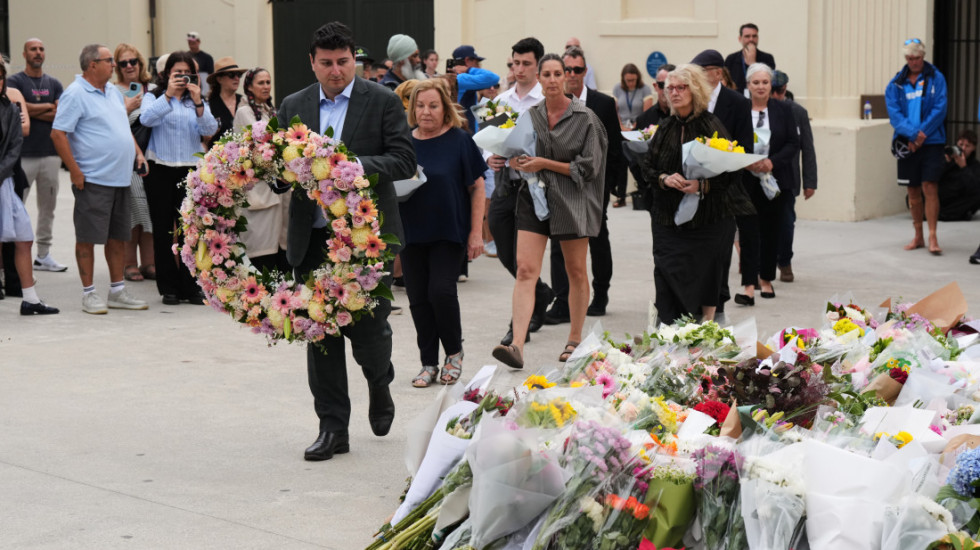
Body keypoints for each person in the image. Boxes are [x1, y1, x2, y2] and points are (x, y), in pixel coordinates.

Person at [278, 21, 415, 462]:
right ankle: (332, 428)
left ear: (355, 59)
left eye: (343, 62)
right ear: (312, 63)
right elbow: (280, 171)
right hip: (314, 238)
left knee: (369, 332)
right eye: (327, 63)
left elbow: (404, 160)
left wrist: (351, 165)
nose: (336, 71)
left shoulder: (382, 100)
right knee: (320, 332)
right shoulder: (293, 105)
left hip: (367, 239)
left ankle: (379, 378)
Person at [491, 53, 607, 369]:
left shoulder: (586, 118)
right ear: (539, 79)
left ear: (566, 77)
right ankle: (516, 345)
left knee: (576, 270)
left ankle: (575, 339)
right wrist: (510, 161)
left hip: (572, 200)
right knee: (525, 270)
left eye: (559, 74)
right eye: (548, 74)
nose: (553, 79)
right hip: (534, 197)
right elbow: (518, 153)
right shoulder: (529, 116)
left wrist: (544, 163)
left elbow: (590, 168)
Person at [640, 64, 753, 324]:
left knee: (706, 272)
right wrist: (664, 178)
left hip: (708, 218)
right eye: (670, 88)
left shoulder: (710, 124)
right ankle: (669, 328)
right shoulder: (665, 128)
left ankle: (705, 329)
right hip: (668, 219)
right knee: (666, 270)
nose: (674, 93)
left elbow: (732, 170)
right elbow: (647, 167)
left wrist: (702, 186)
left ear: (695, 90)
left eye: (681, 87)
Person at [50, 44, 150, 314]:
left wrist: (137, 152)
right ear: (92, 64)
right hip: (93, 179)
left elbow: (122, 127)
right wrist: (75, 171)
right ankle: (89, 294)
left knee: (117, 237)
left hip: (120, 178)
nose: (114, 65)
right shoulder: (76, 93)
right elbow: (58, 133)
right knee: (87, 237)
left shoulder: (113, 93)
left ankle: (117, 291)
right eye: (109, 61)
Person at [401, 79, 486, 387]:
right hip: (411, 232)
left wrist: (476, 233)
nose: (426, 111)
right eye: (420, 105)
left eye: (433, 106)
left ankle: (453, 352)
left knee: (441, 292)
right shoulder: (404, 142)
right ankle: (428, 363)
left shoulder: (460, 140)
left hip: (449, 232)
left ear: (445, 108)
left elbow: (477, 187)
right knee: (418, 299)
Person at [485, 37, 553, 347]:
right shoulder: (501, 101)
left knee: (524, 261)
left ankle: (518, 327)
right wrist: (490, 157)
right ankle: (540, 291)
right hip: (505, 185)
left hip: (534, 188)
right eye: (516, 63)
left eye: (526, 63)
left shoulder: (545, 100)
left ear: (537, 66)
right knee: (503, 250)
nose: (520, 69)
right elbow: (488, 138)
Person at [546, 46, 619, 322]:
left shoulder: (603, 103)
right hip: (561, 183)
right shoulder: (553, 103)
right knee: (559, 242)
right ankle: (562, 301)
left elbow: (615, 149)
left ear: (585, 71)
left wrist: (609, 186)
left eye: (577, 69)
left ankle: (600, 294)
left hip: (595, 185)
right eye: (567, 69)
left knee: (597, 239)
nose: (572, 74)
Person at [139, 51, 218, 306]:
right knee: (163, 230)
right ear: (166, 74)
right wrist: (169, 95)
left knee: (190, 230)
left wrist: (198, 102)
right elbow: (146, 119)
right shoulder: (153, 96)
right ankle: (169, 287)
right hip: (160, 168)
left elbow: (210, 129)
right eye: (177, 73)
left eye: (187, 73)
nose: (183, 78)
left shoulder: (196, 100)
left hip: (189, 170)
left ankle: (191, 285)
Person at [691, 49, 754, 316]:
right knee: (695, 250)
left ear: (717, 73)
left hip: (725, 190)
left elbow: (745, 148)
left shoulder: (738, 103)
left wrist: (723, 160)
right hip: (693, 188)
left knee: (720, 250)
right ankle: (696, 303)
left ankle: (717, 304)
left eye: (701, 71)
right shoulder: (692, 99)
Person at [0, 55, 58, 315]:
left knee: (24, 238)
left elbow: (15, 147)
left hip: (6, 181)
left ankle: (30, 299)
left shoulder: (10, 108)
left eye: (0, 76)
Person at [7, 38, 67, 272]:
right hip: (22, 155)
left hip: (51, 154)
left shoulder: (54, 83)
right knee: (15, 206)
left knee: (48, 208)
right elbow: (16, 109)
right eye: (33, 49)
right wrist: (47, 107)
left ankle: (43, 255)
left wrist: (30, 108)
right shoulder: (14, 82)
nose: (38, 52)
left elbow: (61, 113)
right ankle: (11, 257)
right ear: (24, 54)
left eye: (41, 49)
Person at [743, 63, 800, 302]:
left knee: (771, 231)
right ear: (748, 85)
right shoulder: (741, 109)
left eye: (765, 82)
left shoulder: (783, 109)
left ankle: (766, 279)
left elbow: (793, 143)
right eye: (756, 82)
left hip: (774, 180)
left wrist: (771, 162)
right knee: (748, 232)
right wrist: (746, 161)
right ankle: (748, 284)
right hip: (746, 178)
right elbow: (731, 140)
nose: (761, 87)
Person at [885, 38, 947, 255]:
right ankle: (918, 235)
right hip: (908, 142)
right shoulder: (896, 83)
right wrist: (912, 135)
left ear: (923, 56)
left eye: (917, 58)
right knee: (912, 189)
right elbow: (894, 114)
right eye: (910, 58)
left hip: (931, 141)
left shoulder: (936, 78)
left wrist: (921, 135)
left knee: (929, 186)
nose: (913, 62)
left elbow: (940, 107)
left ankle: (933, 236)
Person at [233, 67, 290, 274]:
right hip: (258, 190)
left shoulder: (270, 110)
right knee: (261, 251)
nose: (266, 87)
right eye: (260, 83)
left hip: (278, 190)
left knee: (280, 251)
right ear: (249, 87)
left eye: (268, 82)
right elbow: (264, 143)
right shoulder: (244, 111)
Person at [113, 43, 156, 283]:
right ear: (117, 67)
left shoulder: (153, 89)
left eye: (133, 61)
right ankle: (129, 263)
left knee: (149, 211)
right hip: (127, 159)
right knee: (132, 212)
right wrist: (126, 107)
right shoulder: (113, 91)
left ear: (140, 63)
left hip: (153, 158)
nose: (129, 66)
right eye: (123, 63)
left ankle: (149, 262)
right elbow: (109, 122)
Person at [771, 70, 817, 282]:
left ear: (785, 90)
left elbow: (808, 148)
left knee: (787, 222)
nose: (775, 96)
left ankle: (784, 261)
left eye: (779, 91)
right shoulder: (757, 110)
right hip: (762, 174)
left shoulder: (797, 112)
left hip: (788, 177)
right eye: (772, 91)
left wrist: (810, 182)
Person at [610, 63, 653, 207]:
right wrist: (621, 127)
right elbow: (614, 110)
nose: (631, 83)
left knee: (638, 164)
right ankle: (621, 196)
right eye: (628, 80)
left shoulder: (644, 89)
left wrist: (635, 127)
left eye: (633, 80)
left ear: (637, 78)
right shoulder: (617, 88)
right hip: (622, 130)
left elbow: (647, 112)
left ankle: (644, 193)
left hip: (638, 131)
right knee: (621, 164)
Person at [450, 45, 499, 132]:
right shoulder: (462, 79)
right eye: (477, 62)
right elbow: (494, 78)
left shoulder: (460, 79)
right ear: (467, 60)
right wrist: (469, 70)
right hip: (463, 132)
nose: (479, 67)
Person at [938, 130, 980, 222]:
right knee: (911, 197)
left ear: (973, 148)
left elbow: (974, 188)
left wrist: (963, 167)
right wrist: (946, 163)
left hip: (958, 200)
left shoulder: (975, 166)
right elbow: (934, 179)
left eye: (967, 146)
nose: (963, 148)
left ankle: (941, 214)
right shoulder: (948, 159)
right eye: (961, 144)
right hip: (942, 196)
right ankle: (945, 214)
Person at [205, 57, 247, 148]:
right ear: (219, 79)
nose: (236, 78)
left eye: (238, 75)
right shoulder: (209, 104)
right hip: (217, 154)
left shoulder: (244, 101)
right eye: (231, 75)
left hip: (243, 154)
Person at [724, 23, 777, 94]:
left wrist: (752, 64)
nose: (751, 39)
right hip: (736, 98)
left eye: (754, 36)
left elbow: (770, 82)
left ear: (758, 38)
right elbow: (727, 84)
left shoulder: (767, 58)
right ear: (740, 39)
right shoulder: (731, 59)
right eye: (747, 36)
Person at [186, 31, 214, 96]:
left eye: (193, 43)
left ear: (199, 42)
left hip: (204, 87)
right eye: (189, 43)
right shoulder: (185, 57)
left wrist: (211, 90)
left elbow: (210, 75)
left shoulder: (207, 57)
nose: (191, 45)